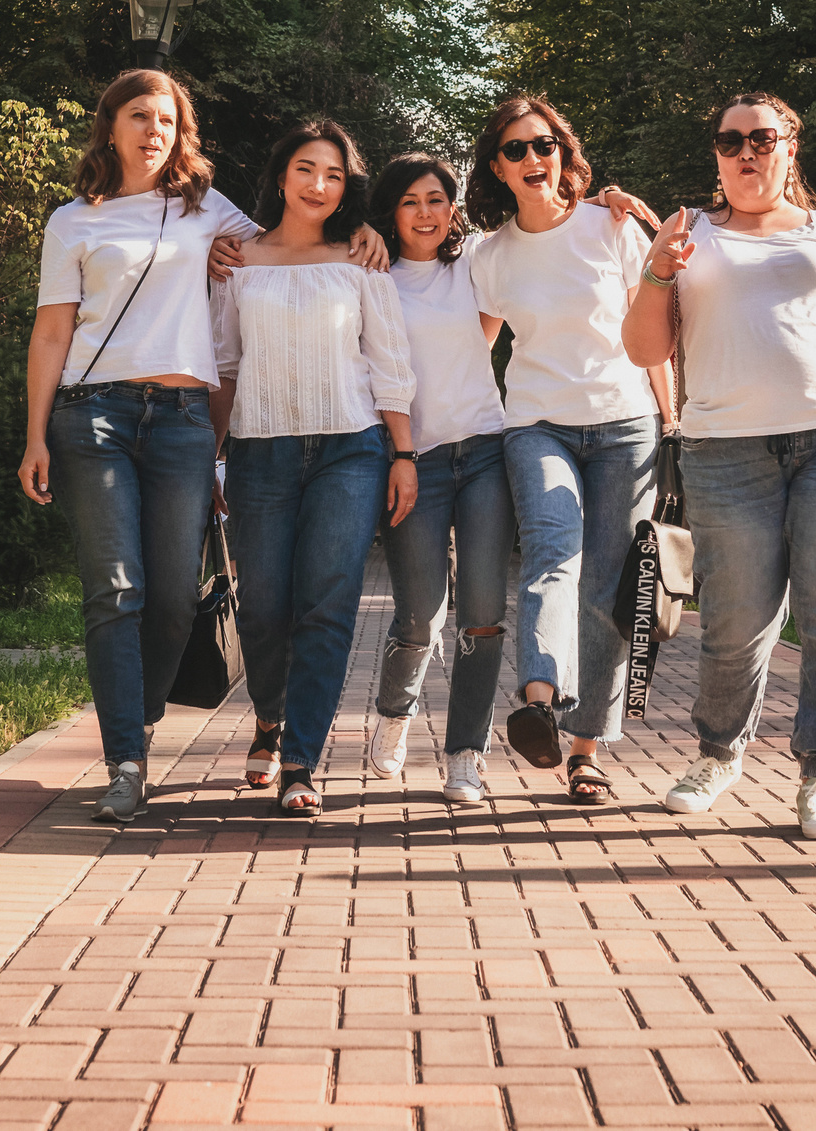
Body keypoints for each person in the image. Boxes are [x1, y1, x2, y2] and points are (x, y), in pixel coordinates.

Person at [18, 69, 378, 825]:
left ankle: (141, 715)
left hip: (182, 417)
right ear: (109, 126)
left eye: (169, 121)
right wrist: (34, 436)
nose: (155, 131)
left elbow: (290, 240)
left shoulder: (205, 207)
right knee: (116, 588)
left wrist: (361, 233)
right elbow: (53, 330)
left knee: (177, 596)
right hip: (92, 416)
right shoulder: (71, 221)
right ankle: (126, 759)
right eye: (140, 116)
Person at [621, 91, 816, 842]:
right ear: (716, 155)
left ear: (790, 147)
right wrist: (656, 273)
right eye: (729, 140)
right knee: (736, 624)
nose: (745, 151)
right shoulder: (688, 233)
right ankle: (718, 754)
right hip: (725, 452)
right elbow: (646, 351)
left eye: (761, 137)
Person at [466, 95, 671, 804]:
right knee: (554, 551)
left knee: (608, 582)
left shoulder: (610, 227)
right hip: (536, 425)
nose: (533, 159)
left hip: (625, 423)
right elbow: (471, 348)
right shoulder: (489, 256)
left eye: (544, 144)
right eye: (516, 149)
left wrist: (670, 420)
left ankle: (586, 748)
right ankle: (540, 701)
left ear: (563, 152)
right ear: (497, 165)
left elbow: (654, 330)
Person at [213, 119, 419, 816]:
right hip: (258, 450)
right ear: (281, 175)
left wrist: (404, 454)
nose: (319, 185)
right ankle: (269, 715)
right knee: (264, 605)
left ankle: (301, 757)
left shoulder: (361, 259)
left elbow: (389, 365)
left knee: (327, 607)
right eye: (307, 169)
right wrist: (211, 461)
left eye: (333, 175)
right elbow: (224, 365)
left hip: (350, 449)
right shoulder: (236, 257)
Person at [364, 154, 512, 805]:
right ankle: (395, 715)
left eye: (437, 199)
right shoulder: (372, 276)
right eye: (410, 201)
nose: (426, 212)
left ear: (453, 207)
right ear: (390, 211)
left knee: (482, 615)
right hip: (413, 459)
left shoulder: (475, 262)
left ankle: (464, 756)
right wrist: (400, 452)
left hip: (484, 452)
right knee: (421, 615)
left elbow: (492, 323)